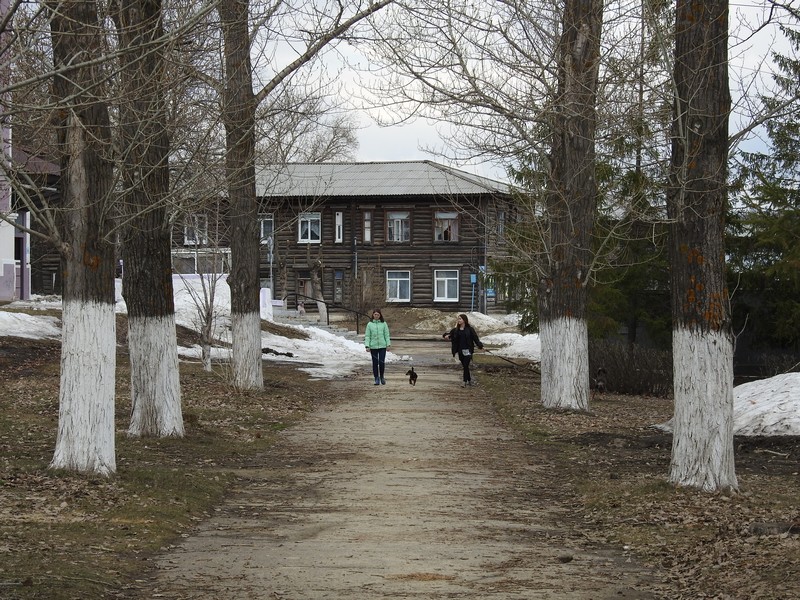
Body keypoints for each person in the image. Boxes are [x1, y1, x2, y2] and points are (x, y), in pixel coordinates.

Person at [443, 313, 484, 387]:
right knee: (465, 366)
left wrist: (480, 345)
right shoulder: (456, 330)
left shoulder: (470, 329)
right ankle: (469, 380)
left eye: (460, 319)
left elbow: (475, 338)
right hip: (460, 351)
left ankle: (464, 382)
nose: (458, 320)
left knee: (465, 365)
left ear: (464, 320)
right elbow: (448, 335)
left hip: (468, 350)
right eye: (458, 319)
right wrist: (446, 336)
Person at [364, 308, 391, 385]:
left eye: (378, 315)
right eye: (375, 314)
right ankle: (376, 378)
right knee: (375, 363)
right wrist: (367, 346)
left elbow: (386, 335)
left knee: (381, 362)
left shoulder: (384, 324)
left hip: (382, 346)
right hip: (373, 346)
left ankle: (382, 376)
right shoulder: (369, 324)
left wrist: (388, 344)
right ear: (373, 315)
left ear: (380, 315)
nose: (376, 316)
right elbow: (367, 336)